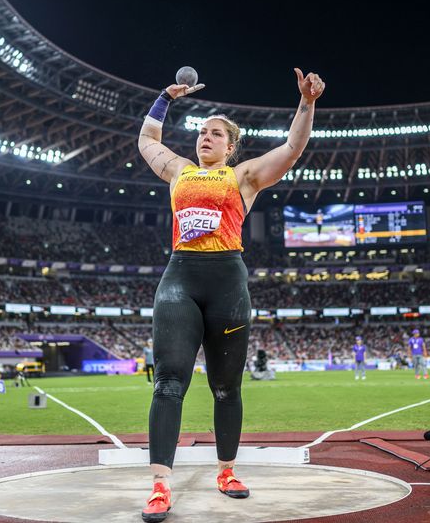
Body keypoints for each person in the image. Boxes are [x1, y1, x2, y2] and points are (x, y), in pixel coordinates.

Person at [138, 68, 325, 521]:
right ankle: (160, 486)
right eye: (202, 132)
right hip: (179, 280)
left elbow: (292, 148)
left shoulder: (243, 176)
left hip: (227, 284)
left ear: (230, 146)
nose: (205, 137)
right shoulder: (178, 171)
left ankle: (226, 472)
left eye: (215, 133)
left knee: (226, 388)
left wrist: (306, 103)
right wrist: (165, 98)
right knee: (168, 383)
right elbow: (146, 140)